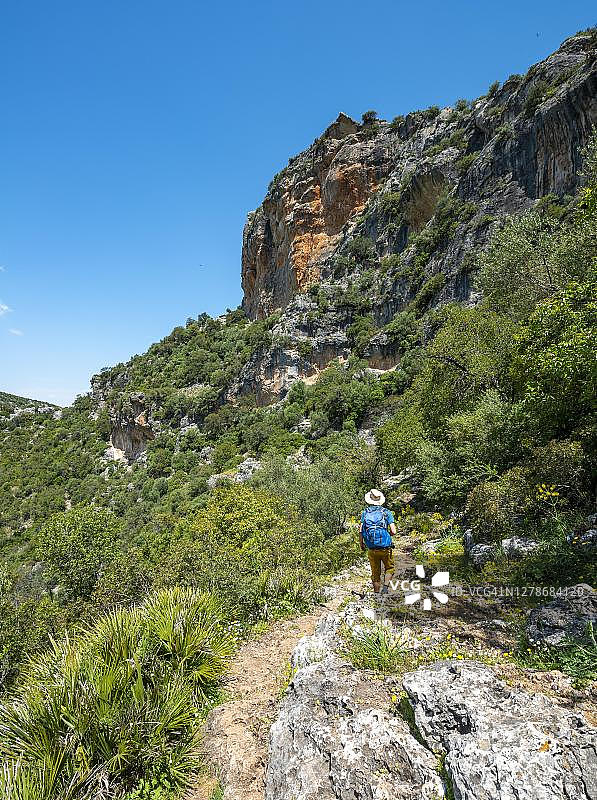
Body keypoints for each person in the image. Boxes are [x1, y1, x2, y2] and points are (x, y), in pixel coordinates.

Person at [359, 488, 396, 593]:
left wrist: (361, 543)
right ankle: (385, 588)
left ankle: (376, 594)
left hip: (371, 548)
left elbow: (361, 530)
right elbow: (393, 531)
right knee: (389, 568)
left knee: (375, 573)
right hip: (385, 547)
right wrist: (386, 535)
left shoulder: (365, 512)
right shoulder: (386, 512)